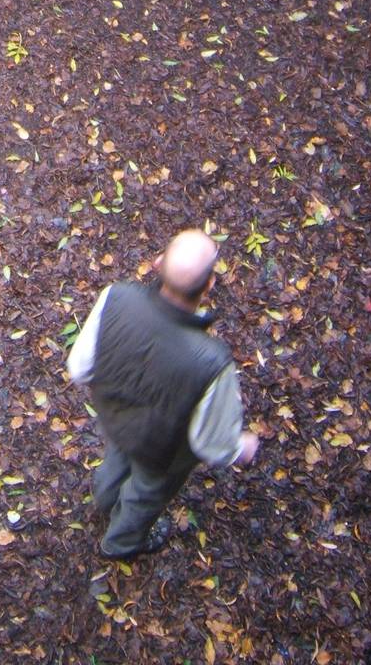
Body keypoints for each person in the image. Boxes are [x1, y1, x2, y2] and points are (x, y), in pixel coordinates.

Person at [67, 228, 259, 559]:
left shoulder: (116, 297)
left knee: (117, 458)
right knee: (144, 496)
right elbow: (211, 442)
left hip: (118, 421)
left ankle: (105, 499)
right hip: (162, 454)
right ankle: (121, 543)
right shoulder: (213, 362)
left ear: (157, 263)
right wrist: (241, 446)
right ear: (210, 284)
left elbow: (80, 367)